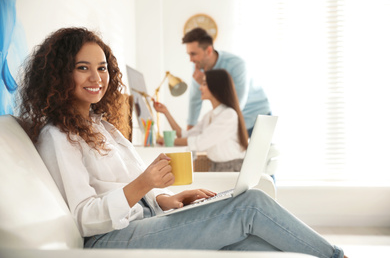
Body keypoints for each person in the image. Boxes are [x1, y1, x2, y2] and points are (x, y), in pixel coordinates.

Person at [18, 27, 346, 258]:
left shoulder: (100, 125)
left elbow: (122, 190)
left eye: (102, 68)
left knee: (244, 242)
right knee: (251, 205)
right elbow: (85, 217)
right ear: (61, 75)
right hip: (110, 242)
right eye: (83, 68)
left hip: (142, 222)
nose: (97, 78)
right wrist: (145, 182)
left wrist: (165, 198)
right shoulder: (59, 135)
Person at [182, 27, 271, 137]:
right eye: (189, 54)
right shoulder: (198, 67)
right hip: (233, 119)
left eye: (193, 54)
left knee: (256, 154)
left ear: (208, 51)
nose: (191, 59)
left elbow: (236, 104)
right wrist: (189, 132)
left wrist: (207, 83)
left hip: (257, 115)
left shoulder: (236, 65)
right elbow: (195, 99)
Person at [154, 69, 248, 172]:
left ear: (215, 86)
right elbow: (184, 135)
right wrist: (166, 113)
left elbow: (200, 143)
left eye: (204, 84)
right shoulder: (209, 115)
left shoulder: (228, 115)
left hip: (232, 168)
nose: (200, 87)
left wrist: (169, 141)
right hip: (216, 166)